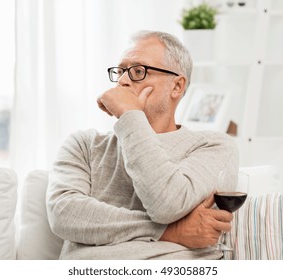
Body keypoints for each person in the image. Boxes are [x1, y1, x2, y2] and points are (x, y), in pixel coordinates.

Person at [46, 30, 239, 260]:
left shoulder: (214, 146)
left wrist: (130, 115)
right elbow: (64, 214)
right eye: (120, 71)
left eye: (138, 71)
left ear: (176, 86)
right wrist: (169, 232)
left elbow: (167, 204)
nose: (123, 81)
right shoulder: (84, 145)